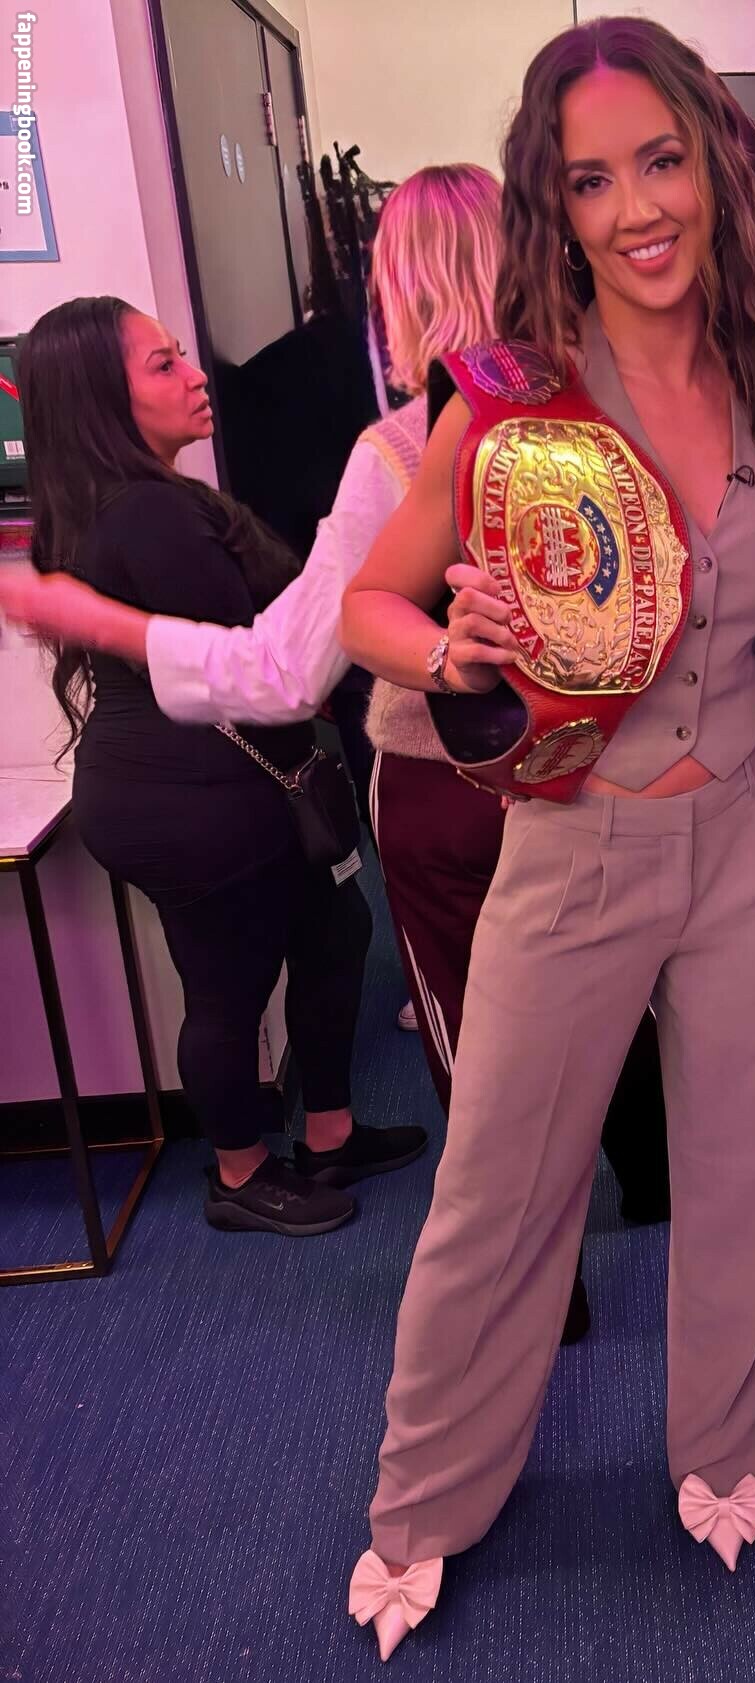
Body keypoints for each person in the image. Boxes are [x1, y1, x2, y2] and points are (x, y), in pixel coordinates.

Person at [0, 165, 670, 1329]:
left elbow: (280, 670)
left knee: (482, 1048)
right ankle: (659, 1190)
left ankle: (542, 1294)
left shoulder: (403, 450)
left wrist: (96, 622)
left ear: (405, 291)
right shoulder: (622, 412)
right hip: (607, 773)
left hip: (450, 787)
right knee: (619, 999)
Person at [338, 17, 755, 1658]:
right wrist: (452, 651)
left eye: (660, 162)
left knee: (745, 1164)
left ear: (713, 160)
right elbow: (367, 604)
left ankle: (725, 1448)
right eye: (592, 180)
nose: (636, 209)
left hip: (749, 829)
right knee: (498, 1187)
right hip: (574, 836)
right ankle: (424, 1500)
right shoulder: (510, 397)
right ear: (556, 203)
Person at [17, 297, 427, 1234]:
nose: (198, 375)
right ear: (102, 400)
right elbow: (254, 664)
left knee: (334, 934)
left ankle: (328, 1134)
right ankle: (238, 1174)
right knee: (227, 987)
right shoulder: (147, 515)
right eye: (163, 365)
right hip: (184, 800)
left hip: (222, 782)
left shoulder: (153, 499)